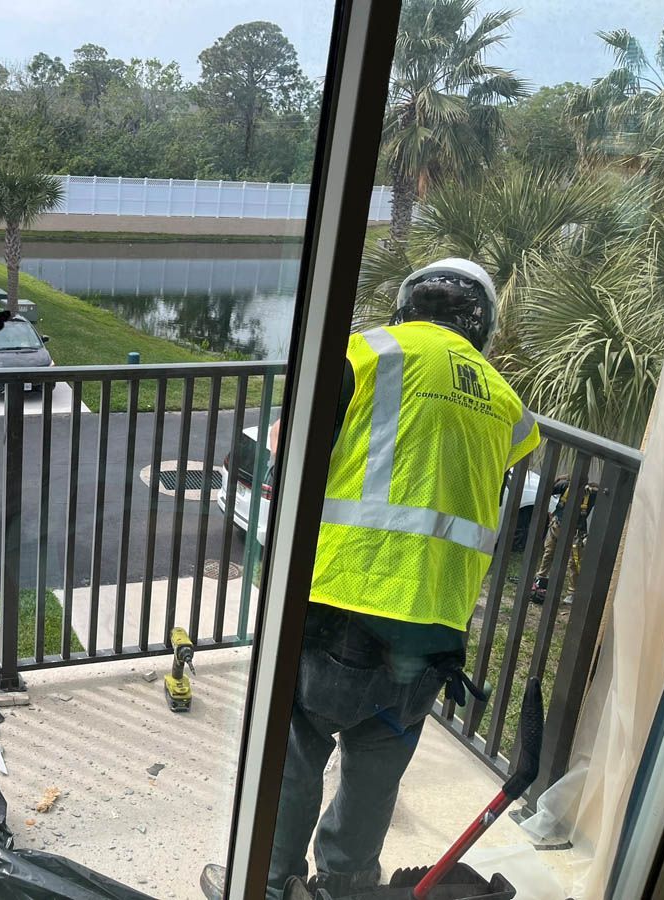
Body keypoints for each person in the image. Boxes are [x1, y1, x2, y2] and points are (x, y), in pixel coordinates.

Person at [200, 259, 540, 898]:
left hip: (342, 603)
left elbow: (294, 458)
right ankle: (346, 884)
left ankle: (269, 884)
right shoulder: (506, 401)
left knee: (296, 747)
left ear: (408, 307)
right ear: (482, 324)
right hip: (435, 625)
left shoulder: (362, 354)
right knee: (379, 760)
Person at [529, 477, 598, 605]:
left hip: (576, 531)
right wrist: (559, 478)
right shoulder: (566, 486)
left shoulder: (591, 493)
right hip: (558, 526)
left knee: (574, 562)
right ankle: (540, 580)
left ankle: (572, 592)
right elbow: (546, 489)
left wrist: (594, 487)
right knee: (548, 553)